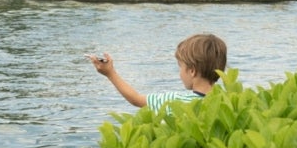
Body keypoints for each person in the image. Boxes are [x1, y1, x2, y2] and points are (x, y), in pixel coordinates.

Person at [87, 33, 227, 111]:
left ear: (192, 71)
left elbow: (136, 99)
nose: (179, 72)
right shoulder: (227, 102)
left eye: (180, 66)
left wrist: (110, 73)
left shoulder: (175, 101)